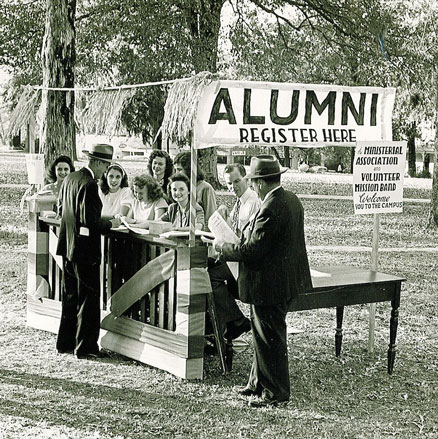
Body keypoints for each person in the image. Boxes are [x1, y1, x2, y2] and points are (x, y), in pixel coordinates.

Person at [213, 155, 312, 407]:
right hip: (285, 282)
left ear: (260, 183)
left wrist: (222, 247)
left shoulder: (270, 207)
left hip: (270, 285)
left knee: (270, 338)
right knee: (262, 335)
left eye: (254, 181)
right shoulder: (291, 200)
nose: (253, 186)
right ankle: (256, 383)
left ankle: (275, 392)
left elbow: (251, 251)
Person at [56, 144, 121, 359]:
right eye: (106, 166)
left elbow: (64, 210)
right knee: (88, 299)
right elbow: (90, 221)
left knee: (70, 296)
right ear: (99, 163)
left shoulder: (71, 178)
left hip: (67, 245)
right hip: (85, 250)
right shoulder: (90, 184)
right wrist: (111, 224)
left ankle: (65, 342)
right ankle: (85, 347)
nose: (105, 172)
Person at [209, 163, 261, 339]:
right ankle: (220, 322)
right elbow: (233, 230)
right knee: (206, 268)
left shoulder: (253, 202)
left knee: (211, 277)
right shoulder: (240, 202)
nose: (233, 187)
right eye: (229, 184)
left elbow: (249, 238)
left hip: (246, 260)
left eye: (237, 181)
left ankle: (236, 320)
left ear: (246, 178)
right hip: (235, 255)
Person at [173, 150, 216, 229]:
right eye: (175, 169)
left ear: (189, 169)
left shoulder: (205, 188)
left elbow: (211, 217)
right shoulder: (176, 188)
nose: (176, 173)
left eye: (179, 169)